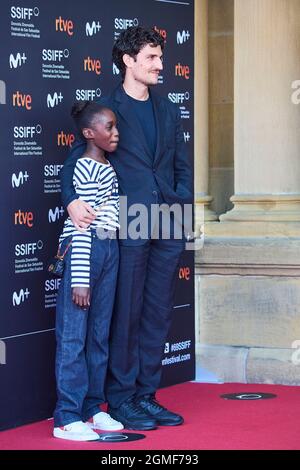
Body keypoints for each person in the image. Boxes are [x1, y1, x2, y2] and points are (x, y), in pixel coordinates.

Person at [60, 27, 193, 431]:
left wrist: (181, 199)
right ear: (128, 61)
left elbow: (180, 163)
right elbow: (73, 160)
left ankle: (145, 395)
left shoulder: (168, 107)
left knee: (156, 313)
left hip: (167, 220)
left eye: (160, 57)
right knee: (127, 314)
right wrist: (70, 199)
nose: (160, 65)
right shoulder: (105, 108)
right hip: (125, 221)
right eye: (152, 58)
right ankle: (119, 400)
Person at [53, 101, 123, 441]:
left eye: (115, 126)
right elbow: (79, 225)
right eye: (108, 127)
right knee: (73, 337)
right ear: (88, 133)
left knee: (98, 335)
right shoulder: (82, 167)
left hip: (109, 248)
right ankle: (67, 416)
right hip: (86, 251)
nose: (115, 133)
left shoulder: (107, 166)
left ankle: (93, 408)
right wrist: (80, 277)